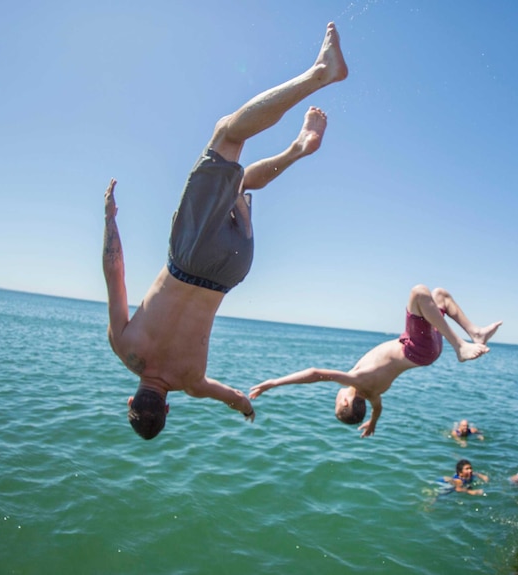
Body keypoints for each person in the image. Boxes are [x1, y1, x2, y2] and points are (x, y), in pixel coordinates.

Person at [103, 23, 349, 440]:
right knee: (226, 133)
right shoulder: (124, 348)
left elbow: (234, 397)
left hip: (232, 272)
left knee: (239, 183)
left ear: (166, 406)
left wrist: (246, 407)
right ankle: (320, 74)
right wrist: (110, 221)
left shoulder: (191, 382)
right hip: (188, 259)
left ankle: (298, 149)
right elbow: (115, 272)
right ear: (131, 400)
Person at [249, 285, 502, 437]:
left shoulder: (373, 395)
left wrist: (373, 423)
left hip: (426, 352)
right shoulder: (356, 381)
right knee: (419, 292)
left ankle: (476, 333)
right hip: (417, 347)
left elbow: (378, 408)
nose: (336, 398)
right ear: (346, 400)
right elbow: (314, 373)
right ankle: (460, 346)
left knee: (439, 296)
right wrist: (272, 383)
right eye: (337, 403)